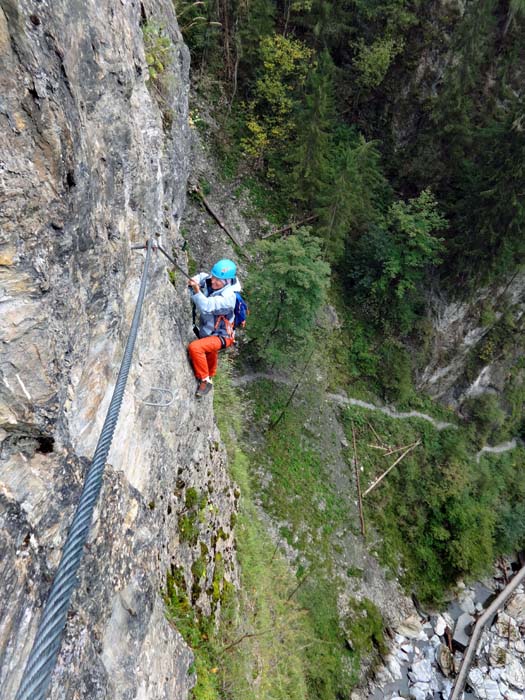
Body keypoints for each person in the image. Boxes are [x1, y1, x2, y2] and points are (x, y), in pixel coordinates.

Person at [187, 258, 240, 398]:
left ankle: (205, 380)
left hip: (223, 336)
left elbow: (207, 306)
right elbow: (203, 276)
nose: (214, 282)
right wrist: (194, 280)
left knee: (196, 348)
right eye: (214, 277)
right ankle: (210, 374)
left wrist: (197, 291)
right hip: (210, 331)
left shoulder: (229, 297)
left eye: (218, 280)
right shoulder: (212, 279)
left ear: (228, 281)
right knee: (210, 351)